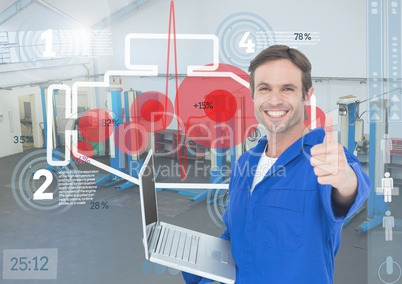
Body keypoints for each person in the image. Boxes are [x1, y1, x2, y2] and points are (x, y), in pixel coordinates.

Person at [183, 45, 370, 283]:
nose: (274, 100)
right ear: (253, 95)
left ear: (306, 95)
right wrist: (186, 255)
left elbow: (350, 190)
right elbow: (235, 236)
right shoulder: (245, 163)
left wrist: (345, 181)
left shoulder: (322, 161)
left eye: (287, 89)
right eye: (264, 88)